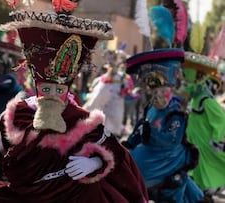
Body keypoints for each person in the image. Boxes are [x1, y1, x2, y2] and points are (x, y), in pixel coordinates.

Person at [0, 2, 148, 203]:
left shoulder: (80, 118)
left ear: (68, 89)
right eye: (46, 90)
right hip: (23, 195)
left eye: (60, 90)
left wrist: (94, 163)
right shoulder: (19, 114)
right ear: (37, 87)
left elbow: (115, 153)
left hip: (71, 196)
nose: (53, 95)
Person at [122, 48, 205, 203]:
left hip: (168, 158)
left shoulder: (177, 112)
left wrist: (149, 132)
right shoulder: (151, 107)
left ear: (171, 90)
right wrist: (130, 144)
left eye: (162, 91)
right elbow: (140, 129)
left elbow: (171, 139)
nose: (157, 96)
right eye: (154, 92)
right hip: (151, 155)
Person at [181, 51, 225, 198]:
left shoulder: (207, 101)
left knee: (208, 165)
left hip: (205, 143)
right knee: (197, 167)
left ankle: (205, 192)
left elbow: (221, 119)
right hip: (194, 141)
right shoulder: (195, 98)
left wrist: (216, 138)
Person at [83, 49, 131, 138]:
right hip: (102, 114)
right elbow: (95, 99)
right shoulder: (101, 80)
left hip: (115, 111)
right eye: (111, 64)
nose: (113, 67)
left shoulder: (122, 79)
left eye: (115, 64)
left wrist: (124, 92)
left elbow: (127, 90)